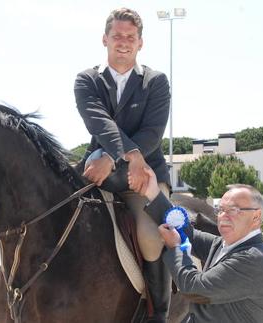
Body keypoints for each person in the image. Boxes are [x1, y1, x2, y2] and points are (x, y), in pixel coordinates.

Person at [74, 8, 172, 322]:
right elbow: (98, 122)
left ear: (140, 43)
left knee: (149, 235)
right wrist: (116, 156)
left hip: (143, 177)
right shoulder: (86, 80)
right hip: (97, 172)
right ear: (105, 38)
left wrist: (115, 157)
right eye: (117, 36)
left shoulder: (156, 82)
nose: (123, 42)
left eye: (131, 37)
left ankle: (158, 310)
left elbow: (152, 134)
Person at [137, 168, 263, 322]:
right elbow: (188, 234)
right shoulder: (224, 244)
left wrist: (177, 248)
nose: (223, 216)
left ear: (256, 217)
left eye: (233, 210)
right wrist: (154, 193)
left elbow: (195, 289)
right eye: (221, 209)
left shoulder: (254, 259)